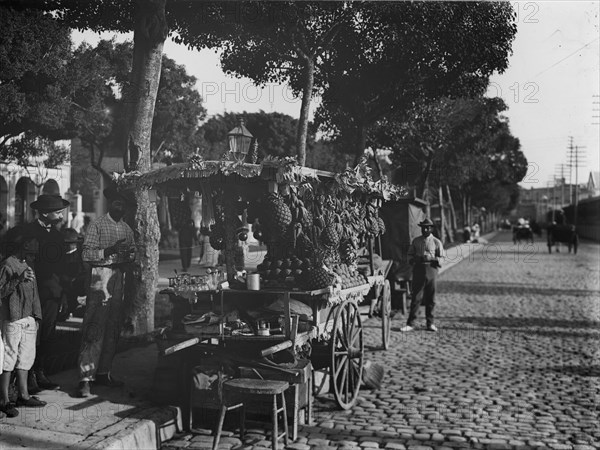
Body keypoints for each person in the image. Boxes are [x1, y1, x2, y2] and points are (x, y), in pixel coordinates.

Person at [77, 186, 136, 398]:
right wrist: (109, 250)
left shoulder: (127, 229)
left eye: (123, 204)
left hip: (118, 277)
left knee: (112, 329)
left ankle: (104, 372)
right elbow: (86, 254)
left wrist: (128, 257)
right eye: (117, 203)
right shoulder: (98, 225)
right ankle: (85, 379)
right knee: (95, 327)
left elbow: (133, 252)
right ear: (110, 204)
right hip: (99, 275)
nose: (120, 207)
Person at [0, 226, 47, 418]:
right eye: (34, 241)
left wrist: (36, 315)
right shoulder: (7, 265)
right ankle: (4, 399)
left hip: (28, 318)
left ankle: (24, 395)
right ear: (24, 243)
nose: (37, 245)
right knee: (9, 358)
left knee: (26, 357)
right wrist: (17, 280)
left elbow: (34, 293)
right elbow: (1, 292)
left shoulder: (29, 263)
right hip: (13, 318)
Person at [27, 193, 70, 392]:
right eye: (57, 212)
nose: (61, 215)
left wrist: (63, 293)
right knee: (30, 335)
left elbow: (63, 267)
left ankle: (41, 372)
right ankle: (27, 377)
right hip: (32, 293)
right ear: (44, 213)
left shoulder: (58, 236)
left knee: (47, 335)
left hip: (53, 293)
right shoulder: (28, 233)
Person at [401, 218, 445, 333]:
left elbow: (442, 258)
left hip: (431, 270)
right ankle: (411, 323)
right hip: (419, 270)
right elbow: (409, 255)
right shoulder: (416, 241)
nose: (425, 229)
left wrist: (433, 258)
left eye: (428, 227)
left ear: (431, 229)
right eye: (423, 228)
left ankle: (430, 323)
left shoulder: (436, 242)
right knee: (416, 297)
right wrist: (414, 259)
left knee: (431, 298)